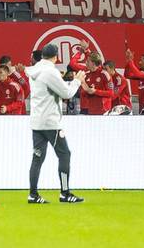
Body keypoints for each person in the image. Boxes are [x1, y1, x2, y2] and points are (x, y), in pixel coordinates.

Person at [27, 42, 87, 204]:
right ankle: (65, 193)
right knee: (64, 154)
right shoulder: (50, 71)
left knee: (37, 158)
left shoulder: (36, 70)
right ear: (56, 57)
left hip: (37, 122)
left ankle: (33, 194)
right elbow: (67, 93)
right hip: (51, 123)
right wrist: (77, 81)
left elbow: (52, 89)